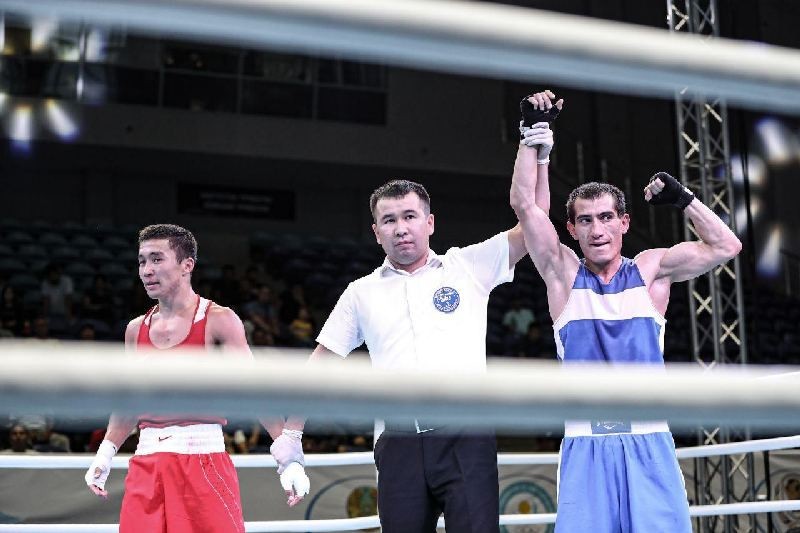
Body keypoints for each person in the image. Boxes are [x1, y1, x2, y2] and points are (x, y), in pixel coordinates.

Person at [510, 90, 742, 532]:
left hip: (649, 440)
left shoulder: (651, 271)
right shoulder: (562, 274)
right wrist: (531, 138)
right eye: (585, 220)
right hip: (585, 443)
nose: (597, 229)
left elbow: (726, 246)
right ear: (572, 229)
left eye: (605, 217)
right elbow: (526, 207)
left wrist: (684, 199)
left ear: (624, 222)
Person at [283, 177, 533, 532]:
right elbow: (320, 363)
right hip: (399, 443)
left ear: (429, 222)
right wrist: (291, 437)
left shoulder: (468, 266)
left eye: (410, 216)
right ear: (376, 232)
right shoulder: (361, 292)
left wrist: (535, 153)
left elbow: (532, 223)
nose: (400, 228)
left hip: (466, 435)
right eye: (389, 220)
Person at [84, 224, 310, 532]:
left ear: (186, 265)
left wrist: (289, 458)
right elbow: (130, 403)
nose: (147, 270)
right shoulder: (135, 330)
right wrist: (105, 452)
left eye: (157, 259)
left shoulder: (219, 320)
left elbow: (253, 390)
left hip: (203, 463)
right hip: (146, 465)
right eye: (142, 261)